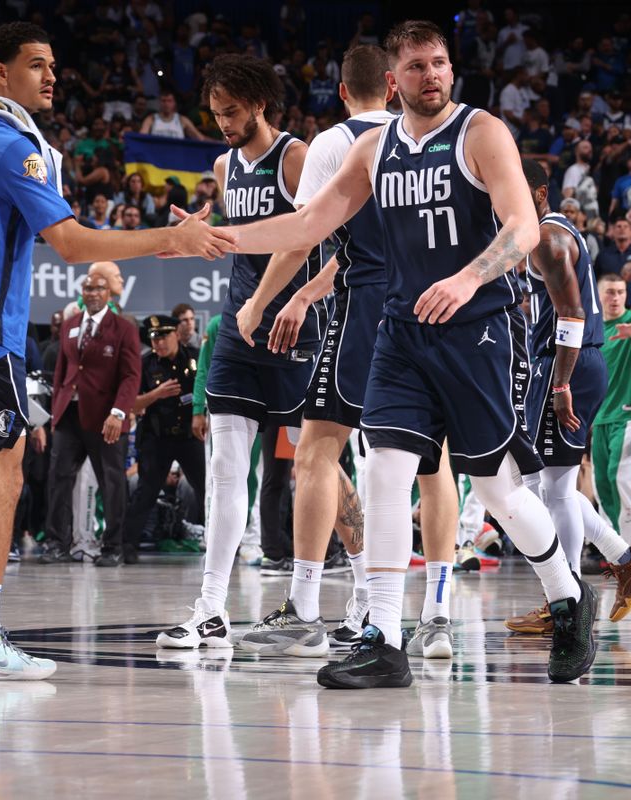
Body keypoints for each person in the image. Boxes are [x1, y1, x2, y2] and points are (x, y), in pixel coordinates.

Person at [224, 20, 596, 688]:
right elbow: (311, 224)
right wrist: (222, 236)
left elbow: (520, 226)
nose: (433, 76)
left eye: (441, 63)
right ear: (392, 80)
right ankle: (385, 638)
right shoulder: (374, 148)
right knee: (386, 472)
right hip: (400, 332)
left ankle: (568, 597)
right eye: (419, 66)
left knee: (498, 490)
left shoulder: (481, 133)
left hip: (479, 329)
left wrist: (466, 277)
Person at [0, 21, 234, 681]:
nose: (50, 76)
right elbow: (70, 243)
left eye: (53, 65)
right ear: (0, 74)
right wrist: (169, 241)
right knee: (2, 482)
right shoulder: (12, 146)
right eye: (36, 65)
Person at [234, 44, 460, 659]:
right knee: (432, 464)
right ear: (394, 87)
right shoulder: (424, 138)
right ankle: (435, 614)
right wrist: (308, 293)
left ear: (340, 91)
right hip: (434, 308)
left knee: (317, 449)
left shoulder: (338, 143)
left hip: (367, 311)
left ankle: (307, 605)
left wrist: (263, 300)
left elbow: (306, 232)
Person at [155, 53, 327, 650]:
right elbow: (243, 244)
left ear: (259, 102)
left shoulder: (297, 157)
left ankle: (359, 595)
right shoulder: (225, 165)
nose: (222, 123)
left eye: (230, 112)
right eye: (215, 113)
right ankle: (211, 607)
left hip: (294, 325)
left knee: (321, 469)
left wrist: (285, 301)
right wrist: (196, 240)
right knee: (226, 471)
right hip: (239, 327)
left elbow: (314, 240)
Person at [504, 161, 631, 633]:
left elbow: (572, 313)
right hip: (568, 362)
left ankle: (565, 602)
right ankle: (625, 560)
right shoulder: (543, 234)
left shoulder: (548, 237)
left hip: (567, 364)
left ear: (541, 192)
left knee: (554, 491)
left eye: (516, 187)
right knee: (546, 489)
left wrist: (560, 383)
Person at [41, 274, 141, 566]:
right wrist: (56, 412)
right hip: (69, 414)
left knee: (111, 482)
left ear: (109, 294)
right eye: (87, 288)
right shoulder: (70, 325)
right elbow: (62, 370)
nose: (92, 293)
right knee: (58, 478)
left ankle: (112, 547)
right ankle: (57, 543)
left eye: (98, 288)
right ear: (81, 292)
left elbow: (131, 376)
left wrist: (118, 412)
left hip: (105, 417)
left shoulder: (124, 328)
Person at [121, 315, 205, 564]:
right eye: (154, 338)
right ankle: (127, 546)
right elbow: (132, 404)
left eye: (164, 336)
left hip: (190, 438)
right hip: (157, 439)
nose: (158, 343)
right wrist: (157, 394)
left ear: (176, 335)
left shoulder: (196, 357)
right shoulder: (144, 363)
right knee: (145, 492)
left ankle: (222, 544)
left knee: (205, 489)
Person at [591, 274, 631, 555]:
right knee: (600, 483)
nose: (616, 298)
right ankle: (614, 552)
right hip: (599, 415)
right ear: (599, 296)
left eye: (621, 292)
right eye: (610, 292)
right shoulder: (593, 328)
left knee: (619, 477)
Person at [140, 90, 208, 141]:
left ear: (174, 103)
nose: (166, 104)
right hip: (155, 157)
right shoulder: (151, 119)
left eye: (169, 101)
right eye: (163, 101)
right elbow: (140, 138)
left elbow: (200, 138)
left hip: (177, 158)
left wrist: (217, 143)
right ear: (159, 102)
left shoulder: (182, 120)